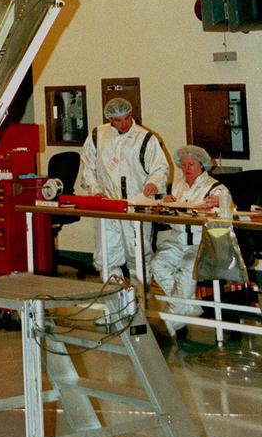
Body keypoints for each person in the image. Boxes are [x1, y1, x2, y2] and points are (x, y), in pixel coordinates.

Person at [78, 98, 170, 280]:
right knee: (106, 255)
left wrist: (153, 182)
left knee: (137, 254)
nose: (124, 123)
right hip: (107, 205)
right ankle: (115, 300)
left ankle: (139, 299)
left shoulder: (145, 138)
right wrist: (95, 189)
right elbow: (88, 166)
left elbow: (160, 167)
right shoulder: (98, 135)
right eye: (118, 120)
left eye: (127, 118)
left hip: (136, 205)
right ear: (110, 119)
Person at [150, 144, 234, 340]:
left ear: (202, 165)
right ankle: (190, 308)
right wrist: (166, 205)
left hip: (201, 243)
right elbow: (165, 220)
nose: (186, 169)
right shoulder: (177, 186)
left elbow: (230, 211)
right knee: (157, 264)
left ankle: (171, 322)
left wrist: (219, 204)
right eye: (183, 164)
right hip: (178, 242)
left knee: (188, 269)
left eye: (191, 164)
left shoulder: (215, 187)